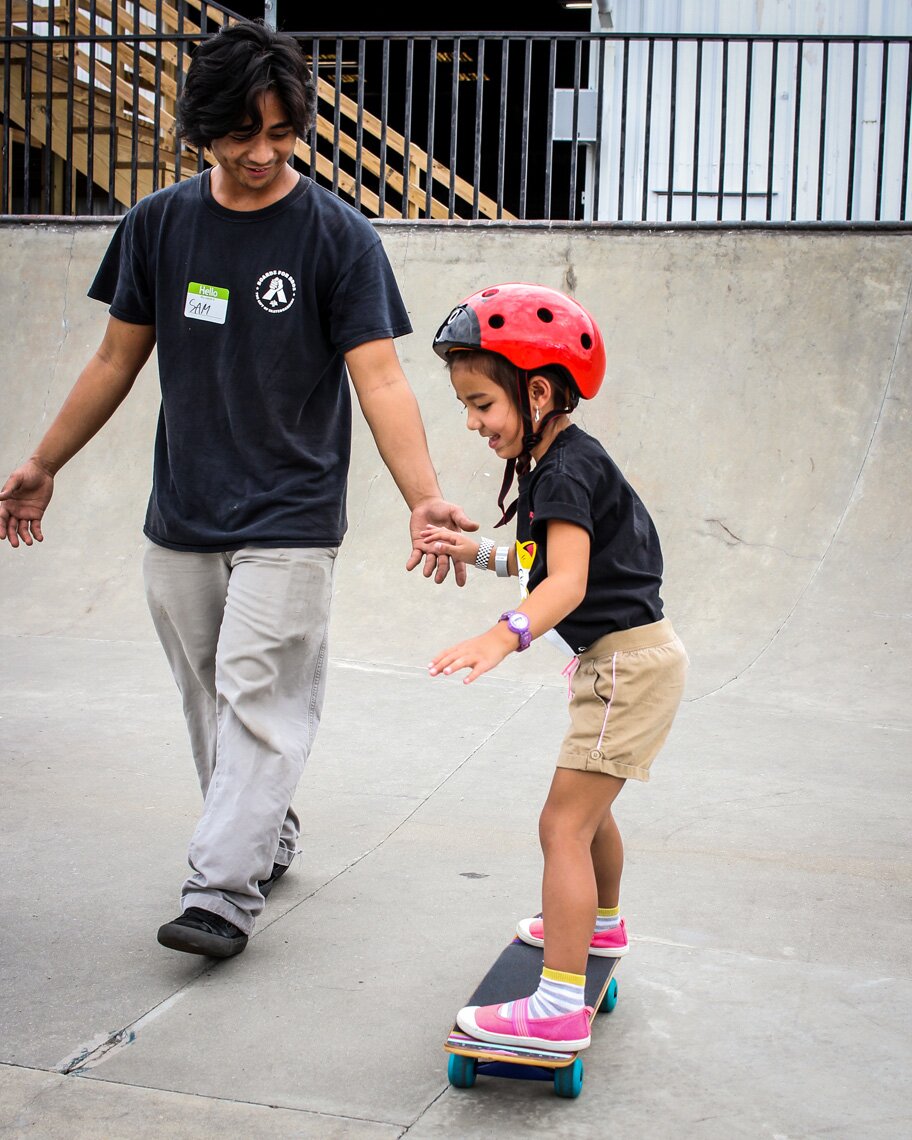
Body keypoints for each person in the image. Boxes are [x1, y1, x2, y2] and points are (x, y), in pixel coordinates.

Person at [0, 20, 474, 960]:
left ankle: (221, 891)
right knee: (211, 700)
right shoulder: (159, 225)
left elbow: (379, 376)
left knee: (260, 692)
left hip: (290, 517)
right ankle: (265, 832)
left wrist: (422, 496)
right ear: (201, 128)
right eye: (240, 135)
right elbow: (113, 359)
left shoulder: (337, 235)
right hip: (181, 512)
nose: (262, 155)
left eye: (281, 134)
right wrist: (44, 462)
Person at [420, 283, 688, 1052]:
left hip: (623, 672)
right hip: (635, 662)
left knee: (561, 826)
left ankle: (558, 1007)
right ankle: (601, 928)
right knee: (589, 815)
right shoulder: (562, 459)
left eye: (481, 404)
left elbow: (565, 586)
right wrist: (483, 551)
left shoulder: (564, 471)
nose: (472, 423)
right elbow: (551, 559)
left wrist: (502, 637)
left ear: (536, 391)